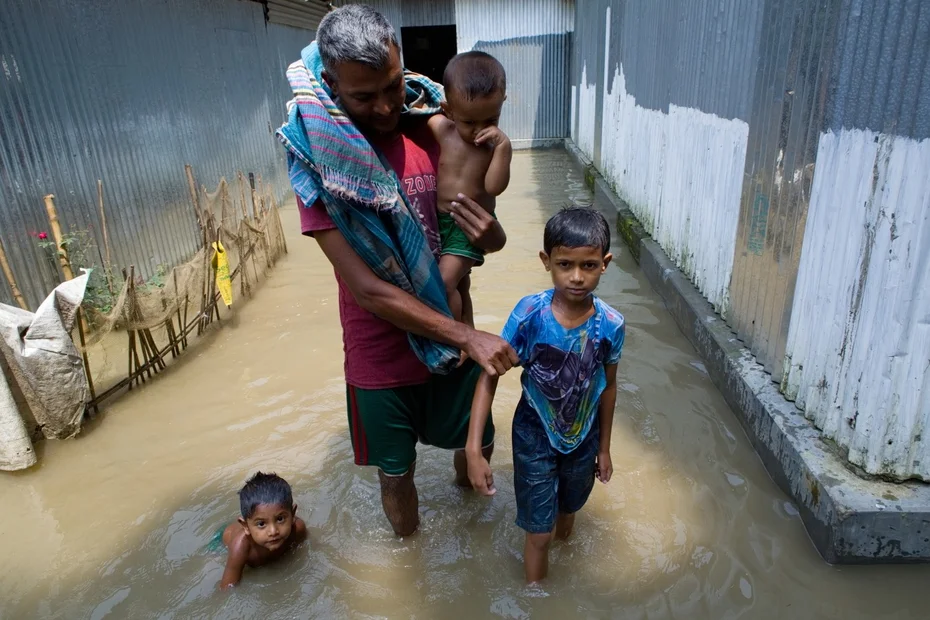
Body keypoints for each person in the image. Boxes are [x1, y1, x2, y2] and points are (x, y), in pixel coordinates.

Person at [277, 5, 519, 538]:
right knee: (396, 478)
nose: (387, 106)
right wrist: (468, 336)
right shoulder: (321, 162)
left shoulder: (440, 128)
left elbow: (488, 227)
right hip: (381, 353)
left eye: (392, 84)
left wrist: (492, 238)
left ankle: (473, 541)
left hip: (458, 340)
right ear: (331, 84)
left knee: (471, 447)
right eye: (365, 96)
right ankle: (412, 563)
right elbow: (367, 291)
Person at [465, 206, 626, 583]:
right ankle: (537, 598)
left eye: (588, 265)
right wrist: (474, 449)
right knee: (539, 532)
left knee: (569, 512)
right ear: (546, 262)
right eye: (564, 264)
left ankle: (563, 574)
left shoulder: (612, 325)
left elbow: (609, 386)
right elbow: (490, 375)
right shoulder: (530, 315)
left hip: (583, 435)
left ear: (605, 264)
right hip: (534, 431)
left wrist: (603, 447)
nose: (576, 277)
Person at [428, 51, 512, 325]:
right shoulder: (442, 129)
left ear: (502, 105)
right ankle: (467, 331)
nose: (480, 130)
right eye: (469, 122)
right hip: (440, 223)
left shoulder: (494, 146)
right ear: (448, 111)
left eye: (491, 120)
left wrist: (502, 148)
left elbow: (494, 187)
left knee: (442, 284)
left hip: (469, 230)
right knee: (460, 285)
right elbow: (411, 113)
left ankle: (453, 341)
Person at [218, 472, 307, 589]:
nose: (273, 531)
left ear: (293, 514)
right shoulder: (241, 547)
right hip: (219, 542)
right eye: (261, 524)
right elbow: (227, 587)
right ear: (246, 526)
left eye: (280, 519)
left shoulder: (298, 529)